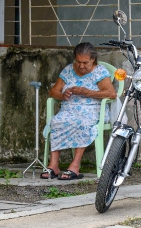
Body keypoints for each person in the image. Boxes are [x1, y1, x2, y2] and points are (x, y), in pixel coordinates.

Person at [41, 42, 117, 180]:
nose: (81, 66)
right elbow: (53, 92)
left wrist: (87, 92)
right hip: (69, 110)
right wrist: (63, 95)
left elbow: (111, 94)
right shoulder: (68, 70)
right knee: (57, 121)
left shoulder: (99, 72)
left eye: (85, 62)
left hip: (93, 110)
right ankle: (54, 165)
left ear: (93, 59)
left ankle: (75, 166)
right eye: (78, 62)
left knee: (82, 123)